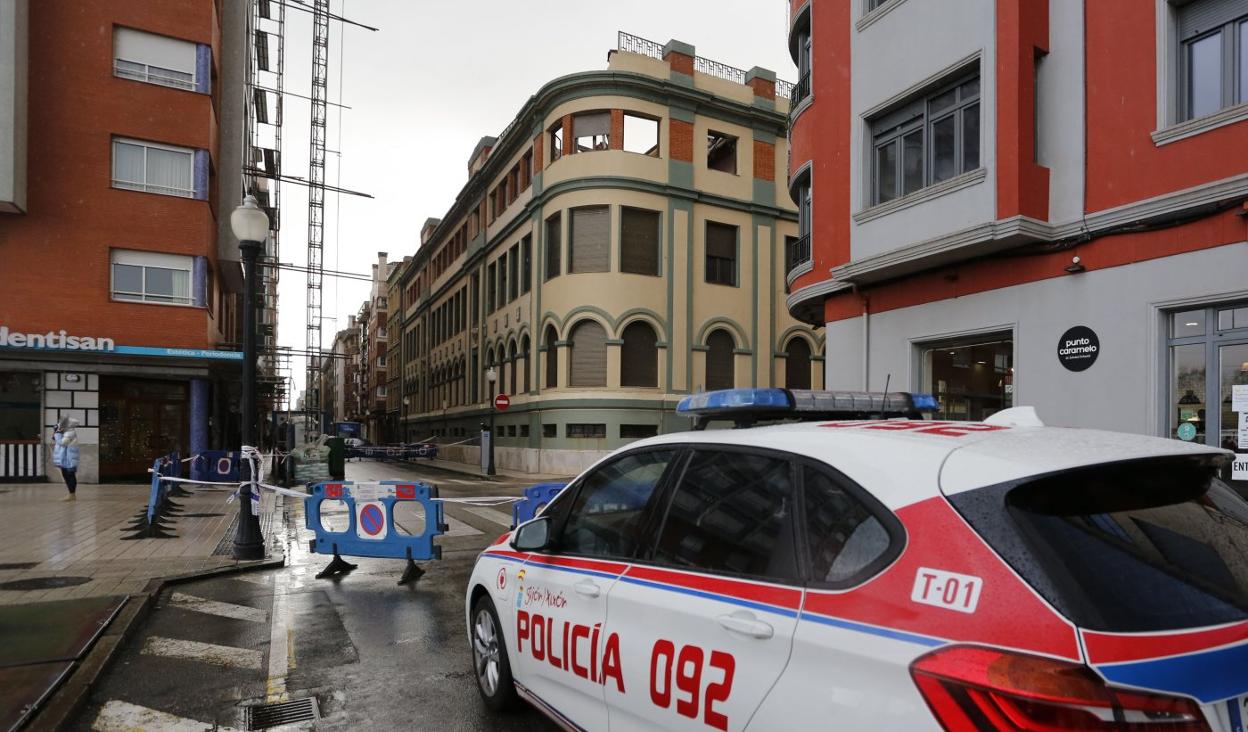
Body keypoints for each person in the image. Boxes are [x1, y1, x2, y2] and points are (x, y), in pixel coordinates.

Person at [52, 416, 80, 501]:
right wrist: (56, 433)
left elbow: (63, 443)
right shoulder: (66, 431)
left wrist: (57, 433)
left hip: (69, 458)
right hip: (65, 457)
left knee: (70, 475)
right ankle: (71, 494)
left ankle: (72, 495)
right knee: (66, 475)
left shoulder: (69, 432)